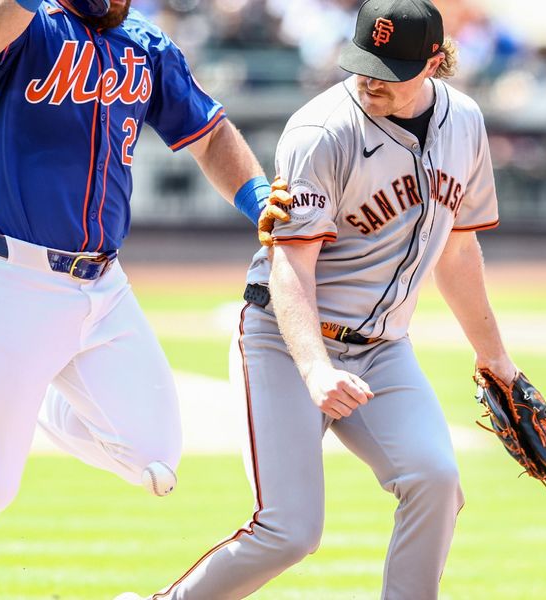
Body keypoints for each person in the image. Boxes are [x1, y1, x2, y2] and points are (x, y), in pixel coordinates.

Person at [0, 0, 281, 597]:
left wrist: (259, 197)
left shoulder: (144, 44)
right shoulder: (28, 24)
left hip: (101, 287)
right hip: (5, 276)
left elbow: (208, 134)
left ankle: (7, 400)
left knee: (155, 461)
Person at [118, 0, 517, 598]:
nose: (370, 78)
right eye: (363, 61)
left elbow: (458, 254)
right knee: (289, 531)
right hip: (285, 340)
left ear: (436, 61)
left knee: (435, 479)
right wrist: (314, 369)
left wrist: (497, 361)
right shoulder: (321, 131)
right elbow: (290, 264)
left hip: (383, 349)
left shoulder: (465, 123)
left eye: (390, 67)